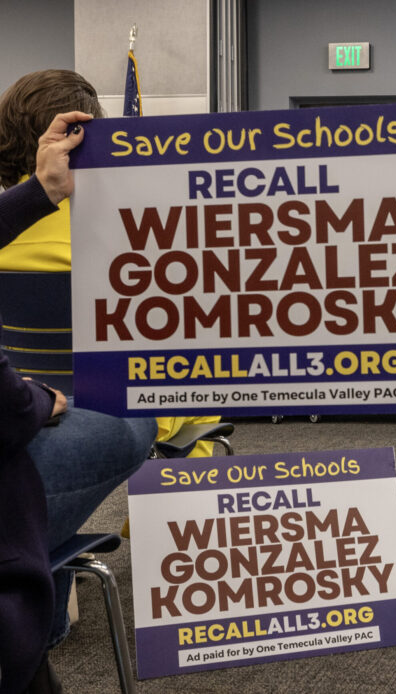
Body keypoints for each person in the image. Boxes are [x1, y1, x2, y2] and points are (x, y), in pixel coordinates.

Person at [0, 110, 156, 694]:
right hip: (34, 418)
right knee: (139, 412)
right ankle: (37, 601)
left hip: (27, 393)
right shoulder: (124, 234)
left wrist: (37, 194)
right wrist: (38, 401)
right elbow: (12, 412)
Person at [0, 69, 221, 458]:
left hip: (19, 398)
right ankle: (154, 520)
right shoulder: (134, 241)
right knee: (200, 400)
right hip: (114, 402)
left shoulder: (9, 229)